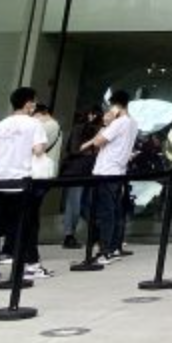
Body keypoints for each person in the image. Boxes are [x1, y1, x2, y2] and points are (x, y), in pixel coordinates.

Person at [0, 88, 52, 283]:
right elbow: (38, 150)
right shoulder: (34, 124)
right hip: (22, 181)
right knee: (27, 224)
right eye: (33, 102)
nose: (34, 105)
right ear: (28, 103)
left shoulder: (0, 125)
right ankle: (31, 265)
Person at [82, 90, 139, 264]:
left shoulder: (118, 123)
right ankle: (114, 247)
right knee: (114, 210)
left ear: (115, 106)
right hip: (118, 170)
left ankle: (105, 250)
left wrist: (107, 123)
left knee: (103, 211)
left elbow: (98, 142)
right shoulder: (133, 123)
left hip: (106, 170)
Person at [60, 107, 103, 249]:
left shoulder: (96, 129)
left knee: (86, 203)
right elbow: (75, 149)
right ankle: (69, 235)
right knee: (75, 204)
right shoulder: (79, 128)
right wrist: (93, 141)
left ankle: (94, 232)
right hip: (77, 171)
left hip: (89, 170)